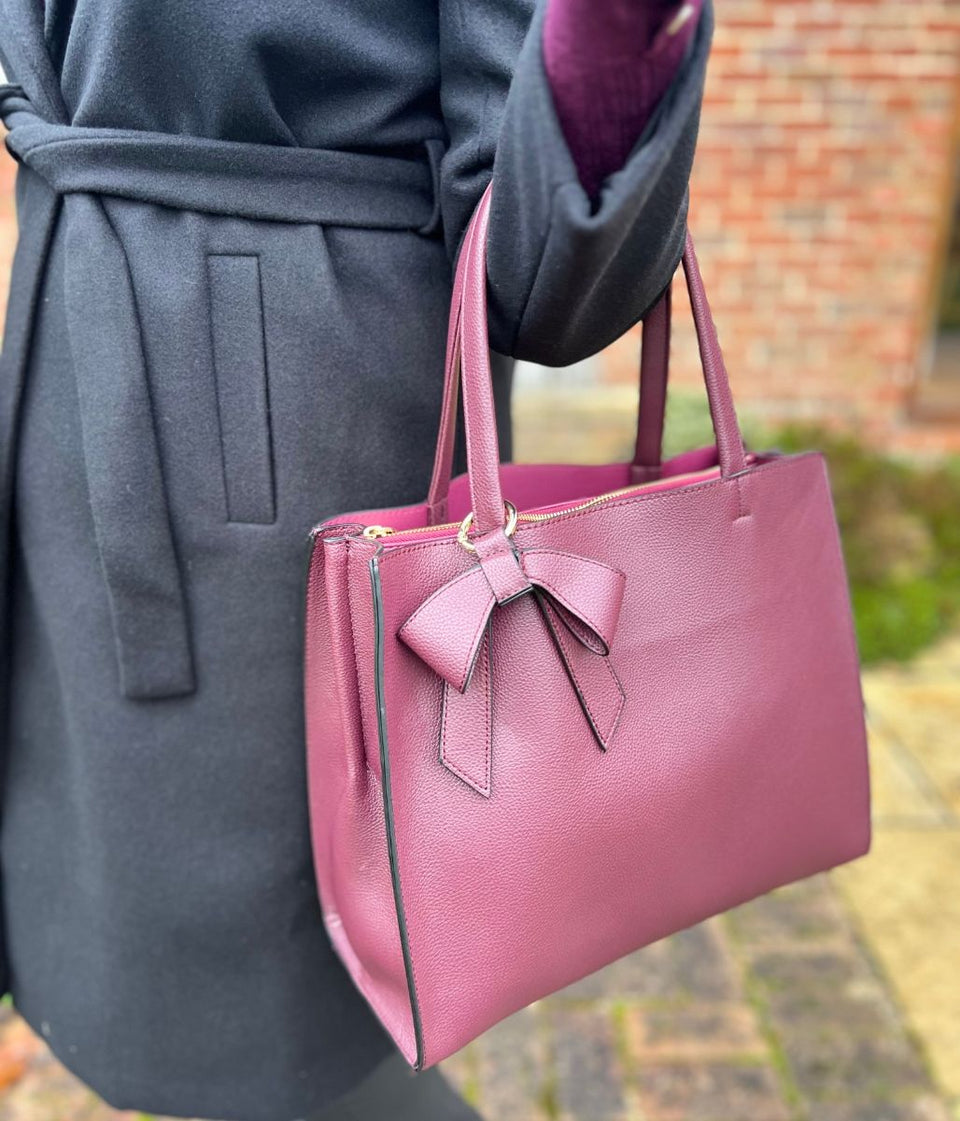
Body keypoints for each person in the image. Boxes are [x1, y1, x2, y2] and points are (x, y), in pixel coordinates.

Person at [0, 0, 712, 1117]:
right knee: (115, 905)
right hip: (72, 356)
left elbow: (534, 272)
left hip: (297, 432)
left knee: (287, 1000)